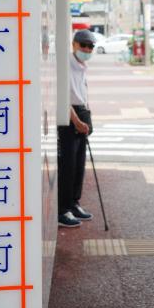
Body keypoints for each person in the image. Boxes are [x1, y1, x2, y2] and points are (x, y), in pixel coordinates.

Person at [57, 28, 96, 227]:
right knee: (68, 166)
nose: (87, 49)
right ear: (74, 44)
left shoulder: (82, 66)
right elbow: (62, 96)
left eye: (91, 46)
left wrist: (86, 119)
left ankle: (74, 203)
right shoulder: (66, 64)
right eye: (84, 45)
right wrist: (77, 121)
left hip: (81, 114)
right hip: (69, 118)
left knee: (79, 165)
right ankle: (62, 209)